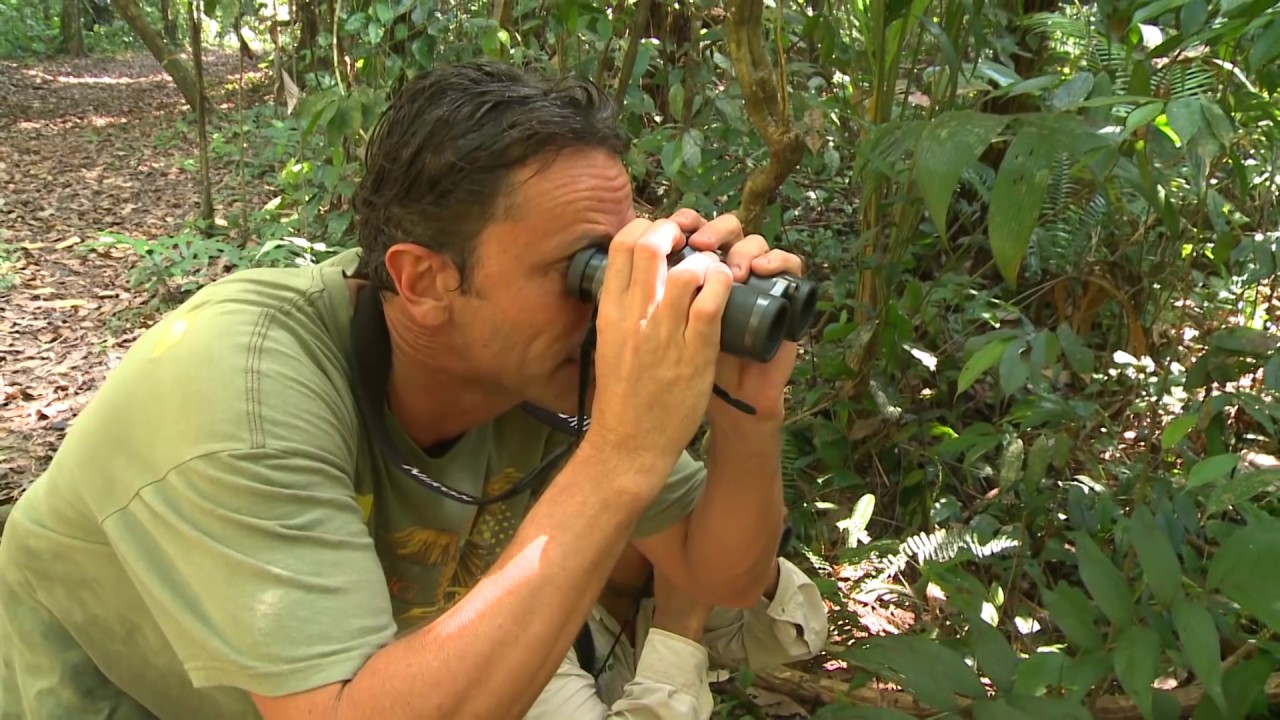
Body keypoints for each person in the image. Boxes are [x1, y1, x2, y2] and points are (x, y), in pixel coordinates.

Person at [0, 59, 807, 720]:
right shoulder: (238, 390)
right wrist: (623, 450)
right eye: (586, 270)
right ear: (423, 280)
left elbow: (721, 577)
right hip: (116, 695)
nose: (616, 303)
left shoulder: (548, 361)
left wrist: (747, 405)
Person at [524, 543, 830, 719]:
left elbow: (796, 639)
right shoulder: (531, 628)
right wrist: (679, 626)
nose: (668, 538)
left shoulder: (651, 592)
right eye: (648, 521)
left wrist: (749, 563)